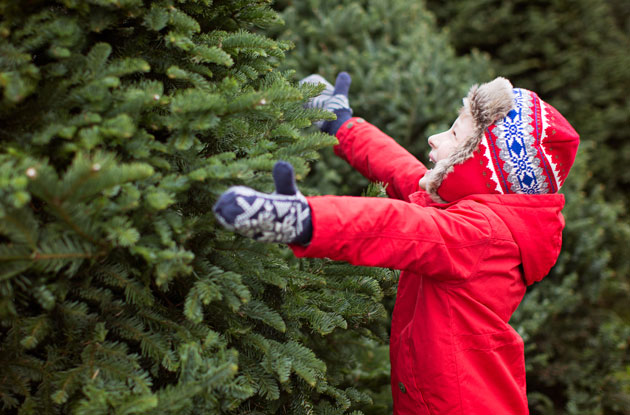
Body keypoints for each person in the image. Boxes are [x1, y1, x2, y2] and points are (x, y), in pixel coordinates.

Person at [213, 72, 580, 414]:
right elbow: (402, 171)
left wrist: (304, 220)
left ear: (482, 168)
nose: (435, 138)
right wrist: (342, 125)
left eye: (454, 135)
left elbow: (397, 226)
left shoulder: (480, 234)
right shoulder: (468, 214)